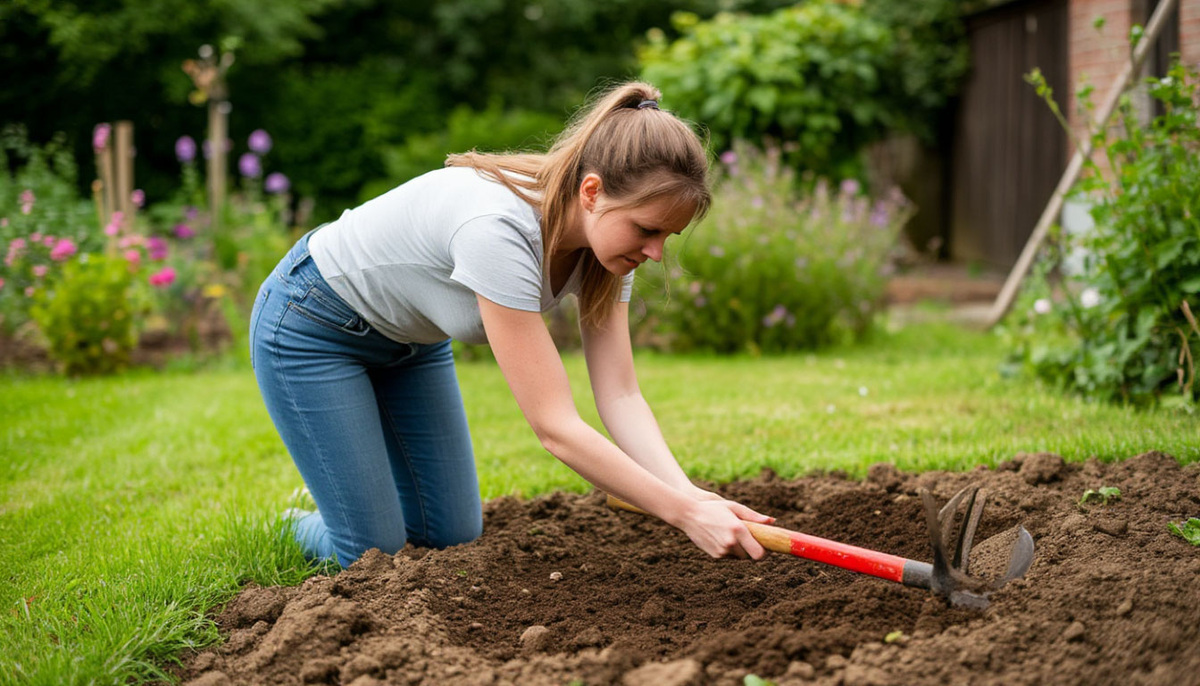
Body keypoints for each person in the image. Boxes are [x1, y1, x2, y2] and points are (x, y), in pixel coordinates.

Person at [249, 82, 774, 569]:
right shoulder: (498, 228)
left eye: (668, 236)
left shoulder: (608, 251)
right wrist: (681, 515)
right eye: (647, 229)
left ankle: (353, 494)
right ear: (592, 192)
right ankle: (294, 523)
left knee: (450, 532)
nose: (656, 252)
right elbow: (556, 428)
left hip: (412, 344)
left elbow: (621, 396)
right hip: (312, 326)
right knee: (369, 550)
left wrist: (690, 495)